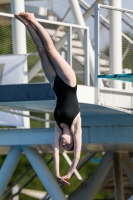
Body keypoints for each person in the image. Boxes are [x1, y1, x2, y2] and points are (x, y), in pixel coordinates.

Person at [14, 12, 82, 185]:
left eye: (64, 146)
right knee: (51, 50)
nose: (64, 145)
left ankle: (26, 23)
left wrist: (58, 174)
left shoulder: (58, 127)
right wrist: (70, 173)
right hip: (68, 82)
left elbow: (54, 151)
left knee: (42, 52)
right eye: (68, 146)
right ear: (73, 141)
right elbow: (77, 156)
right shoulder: (76, 127)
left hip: (55, 84)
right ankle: (33, 19)